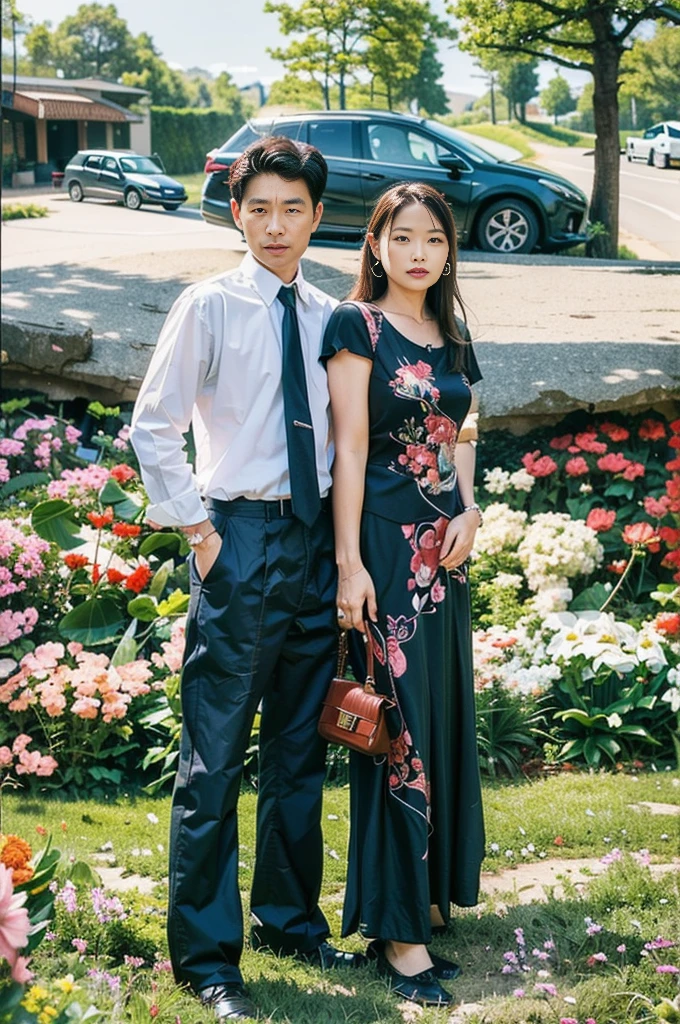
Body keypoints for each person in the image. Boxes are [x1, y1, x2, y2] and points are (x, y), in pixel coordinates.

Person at [130, 136, 366, 1023]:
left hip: (313, 546)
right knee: (217, 757)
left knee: (301, 755)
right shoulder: (210, 306)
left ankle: (289, 922)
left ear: (317, 215)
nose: (276, 224)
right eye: (259, 207)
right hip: (238, 538)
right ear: (236, 212)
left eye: (293, 208)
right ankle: (205, 957)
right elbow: (154, 425)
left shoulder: (330, 314)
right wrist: (197, 528)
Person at [321, 182, 486, 1008]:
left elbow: (463, 436)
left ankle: (422, 903)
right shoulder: (358, 326)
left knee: (439, 718)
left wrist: (474, 511)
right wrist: (349, 564)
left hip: (445, 561)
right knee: (399, 732)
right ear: (377, 244)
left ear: (448, 250)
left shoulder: (451, 334)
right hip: (386, 553)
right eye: (403, 237)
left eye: (433, 238)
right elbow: (350, 449)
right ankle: (398, 936)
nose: (419, 251)